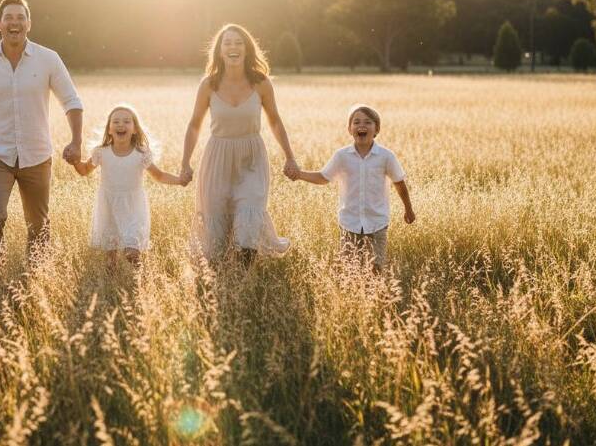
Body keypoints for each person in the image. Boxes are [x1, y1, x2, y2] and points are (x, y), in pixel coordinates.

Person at [0, 0, 83, 267]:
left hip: (37, 155)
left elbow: (72, 101)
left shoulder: (48, 59)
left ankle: (37, 278)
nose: (15, 23)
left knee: (39, 225)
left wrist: (76, 141)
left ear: (29, 23)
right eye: (9, 18)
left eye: (20, 18)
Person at [180, 23, 297, 265]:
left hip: (251, 158)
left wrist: (290, 157)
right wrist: (185, 163)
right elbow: (194, 125)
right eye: (227, 43)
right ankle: (220, 283)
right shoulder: (208, 84)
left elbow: (275, 121)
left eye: (238, 43)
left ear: (247, 49)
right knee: (216, 227)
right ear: (220, 51)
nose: (233, 47)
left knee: (248, 220)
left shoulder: (261, 83)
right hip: (217, 157)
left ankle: (244, 282)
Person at [291, 104, 415, 271]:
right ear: (349, 129)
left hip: (377, 223)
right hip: (349, 223)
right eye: (356, 122)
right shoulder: (341, 156)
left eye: (368, 122)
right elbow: (323, 177)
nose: (361, 126)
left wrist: (408, 209)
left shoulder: (386, 156)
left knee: (376, 269)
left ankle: (374, 296)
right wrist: (299, 174)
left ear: (376, 129)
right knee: (350, 270)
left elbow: (399, 182)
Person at [72, 105, 188, 267]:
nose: (121, 125)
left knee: (132, 252)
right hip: (108, 206)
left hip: (134, 207)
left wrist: (180, 180)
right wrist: (75, 160)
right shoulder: (101, 152)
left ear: (134, 129)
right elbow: (84, 170)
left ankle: (139, 283)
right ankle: (112, 288)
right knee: (110, 260)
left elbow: (159, 175)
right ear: (109, 130)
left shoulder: (141, 154)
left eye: (127, 121)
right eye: (116, 122)